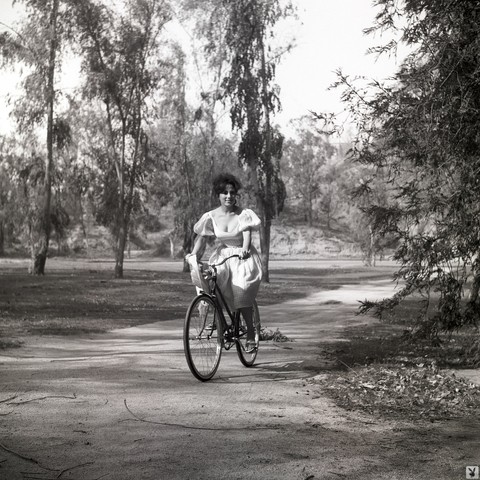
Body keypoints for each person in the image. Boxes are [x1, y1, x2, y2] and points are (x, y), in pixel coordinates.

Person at [186, 173, 262, 346]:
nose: (229, 196)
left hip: (243, 256)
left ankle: (250, 331)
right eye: (225, 193)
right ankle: (221, 322)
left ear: (236, 195)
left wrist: (244, 249)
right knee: (212, 285)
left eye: (232, 193)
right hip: (224, 255)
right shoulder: (211, 216)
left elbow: (247, 233)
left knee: (241, 293)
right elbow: (202, 237)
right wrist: (193, 254)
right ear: (218, 195)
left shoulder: (243, 214)